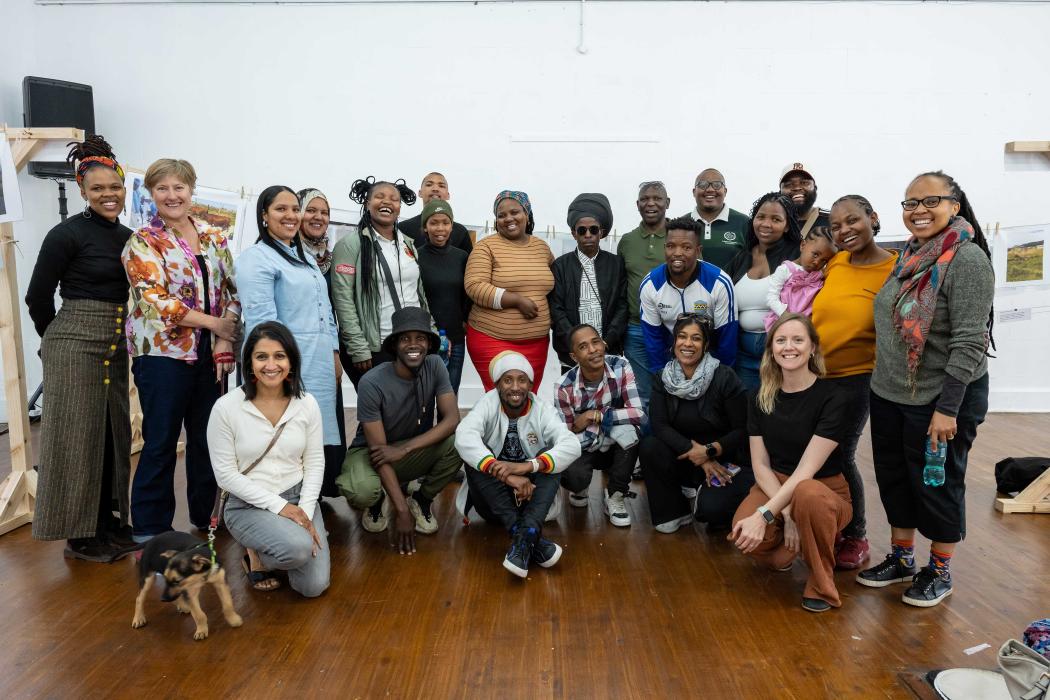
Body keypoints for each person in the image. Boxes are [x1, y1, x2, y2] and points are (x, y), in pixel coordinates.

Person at [857, 172, 993, 608]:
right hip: (891, 392)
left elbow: (970, 339)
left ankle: (939, 571)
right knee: (895, 479)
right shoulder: (911, 255)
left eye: (930, 200)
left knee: (938, 482)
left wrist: (948, 409)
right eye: (910, 202)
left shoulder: (967, 261)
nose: (918, 210)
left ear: (954, 205)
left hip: (941, 398)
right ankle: (901, 559)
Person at [25, 135, 136, 562]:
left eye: (114, 187)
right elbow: (38, 295)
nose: (108, 195)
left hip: (115, 343)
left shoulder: (131, 237)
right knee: (76, 437)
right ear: (82, 191)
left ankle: (110, 524)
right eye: (98, 189)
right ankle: (79, 535)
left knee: (113, 432)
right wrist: (54, 339)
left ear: (124, 187)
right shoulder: (65, 234)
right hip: (73, 341)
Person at [123, 158, 240, 543]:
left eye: (179, 187)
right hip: (162, 356)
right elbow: (153, 299)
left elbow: (233, 292)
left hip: (212, 356)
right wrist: (212, 325)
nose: (172, 196)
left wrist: (225, 337)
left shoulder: (214, 236)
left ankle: (207, 514)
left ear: (192, 190)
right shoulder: (143, 240)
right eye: (162, 189)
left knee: (208, 439)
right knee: (160, 440)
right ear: (151, 194)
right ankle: (150, 526)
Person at [729, 314, 852, 613]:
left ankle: (821, 584)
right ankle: (801, 541)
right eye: (781, 340)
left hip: (822, 490)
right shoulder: (760, 397)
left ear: (812, 348)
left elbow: (806, 472)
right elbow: (760, 464)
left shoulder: (835, 397)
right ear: (772, 349)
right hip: (775, 482)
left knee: (806, 495)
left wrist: (765, 516)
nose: (789, 347)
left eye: (798, 340)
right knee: (745, 535)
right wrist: (786, 514)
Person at [235, 185, 343, 497]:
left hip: (318, 361)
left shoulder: (303, 257)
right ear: (264, 216)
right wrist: (277, 370)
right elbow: (263, 325)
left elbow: (325, 311)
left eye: (295, 209)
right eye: (281, 209)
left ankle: (305, 500)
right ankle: (271, 507)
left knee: (308, 436)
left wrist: (334, 354)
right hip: (281, 363)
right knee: (278, 436)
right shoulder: (256, 259)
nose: (291, 215)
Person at [207, 321, 330, 597]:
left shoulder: (307, 403)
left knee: (313, 587)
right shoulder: (226, 408)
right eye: (261, 356)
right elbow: (225, 475)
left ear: (291, 361)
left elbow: (314, 463)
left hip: (299, 498)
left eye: (279, 356)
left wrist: (306, 515)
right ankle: (258, 556)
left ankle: (283, 546)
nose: (270, 365)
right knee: (298, 548)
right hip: (248, 505)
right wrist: (281, 508)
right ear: (249, 362)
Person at [812, 194, 897, 569]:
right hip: (815, 375)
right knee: (814, 452)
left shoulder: (895, 269)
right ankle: (827, 521)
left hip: (857, 378)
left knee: (841, 453)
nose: (844, 230)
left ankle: (857, 534)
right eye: (836, 226)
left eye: (852, 221)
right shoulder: (837, 262)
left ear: (873, 218)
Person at [337, 307, 461, 553]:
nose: (413, 345)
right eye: (405, 338)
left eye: (420, 338)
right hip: (371, 453)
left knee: (460, 443)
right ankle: (378, 500)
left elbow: (452, 419)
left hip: (406, 452)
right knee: (360, 491)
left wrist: (405, 449)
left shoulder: (435, 365)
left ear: (428, 344)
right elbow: (379, 452)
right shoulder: (371, 382)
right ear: (394, 345)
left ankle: (422, 500)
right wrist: (400, 512)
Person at [455, 351, 581, 577]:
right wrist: (507, 475)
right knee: (477, 458)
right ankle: (527, 533)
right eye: (508, 380)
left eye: (521, 380)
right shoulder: (487, 403)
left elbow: (572, 445)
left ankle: (524, 535)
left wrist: (529, 466)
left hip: (532, 500)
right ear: (497, 385)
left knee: (549, 457)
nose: (515, 387)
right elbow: (464, 436)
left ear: (531, 385)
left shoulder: (542, 409)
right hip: (493, 505)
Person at [640, 315, 752, 534]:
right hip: (686, 454)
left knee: (712, 513)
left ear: (706, 345)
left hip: (723, 457)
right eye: (681, 337)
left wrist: (710, 452)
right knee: (650, 446)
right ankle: (674, 511)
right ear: (674, 342)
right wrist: (699, 457)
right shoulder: (663, 377)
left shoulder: (725, 377)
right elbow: (660, 425)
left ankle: (709, 496)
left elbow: (742, 430)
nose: (688, 344)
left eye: (696, 338)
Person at [331, 177, 432, 388]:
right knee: (380, 412)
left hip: (409, 342)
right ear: (367, 203)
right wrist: (358, 347)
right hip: (375, 346)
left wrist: (430, 328)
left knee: (407, 411)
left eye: (394, 199)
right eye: (379, 197)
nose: (387, 202)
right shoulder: (351, 245)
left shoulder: (408, 244)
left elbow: (418, 293)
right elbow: (343, 300)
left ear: (399, 206)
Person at [554, 324, 644, 527]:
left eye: (596, 342)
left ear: (604, 344)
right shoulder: (563, 387)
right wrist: (598, 430)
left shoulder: (621, 366)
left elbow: (638, 413)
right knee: (574, 477)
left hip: (613, 443)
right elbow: (565, 434)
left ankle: (615, 495)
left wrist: (595, 416)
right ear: (574, 357)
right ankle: (580, 488)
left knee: (633, 434)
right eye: (584, 346)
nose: (593, 349)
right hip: (584, 446)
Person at [464, 190, 555, 392]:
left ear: (527, 214)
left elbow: (553, 285)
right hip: (492, 338)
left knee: (528, 400)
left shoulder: (542, 248)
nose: (508, 219)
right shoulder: (485, 246)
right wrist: (515, 300)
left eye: (515, 212)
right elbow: (474, 286)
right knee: (503, 399)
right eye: (501, 215)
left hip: (537, 343)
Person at [639, 216, 737, 372]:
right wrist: (661, 376)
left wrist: (721, 378)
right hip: (671, 358)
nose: (677, 253)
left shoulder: (719, 282)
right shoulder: (651, 285)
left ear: (698, 251)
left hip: (710, 358)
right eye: (671, 246)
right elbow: (653, 340)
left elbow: (726, 339)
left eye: (686, 247)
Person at [725, 193, 802, 390]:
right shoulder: (741, 258)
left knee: (781, 411)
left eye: (776, 219)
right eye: (761, 217)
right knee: (749, 412)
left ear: (786, 226)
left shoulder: (797, 257)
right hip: (743, 355)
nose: (766, 224)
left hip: (781, 354)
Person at [549, 193, 628, 372]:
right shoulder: (560, 266)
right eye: (581, 230)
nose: (588, 235)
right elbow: (556, 309)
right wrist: (576, 343)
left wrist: (607, 341)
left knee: (610, 399)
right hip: (572, 353)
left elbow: (622, 306)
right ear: (573, 234)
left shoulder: (616, 264)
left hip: (609, 349)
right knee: (573, 398)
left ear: (602, 232)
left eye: (593, 230)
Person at [617, 181, 670, 409]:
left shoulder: (679, 236)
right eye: (645, 199)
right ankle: (647, 442)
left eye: (657, 198)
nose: (651, 203)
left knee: (672, 388)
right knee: (642, 394)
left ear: (667, 203)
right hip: (636, 329)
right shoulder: (627, 241)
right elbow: (620, 285)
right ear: (637, 204)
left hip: (671, 328)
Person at [416, 198, 471, 394]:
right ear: (425, 227)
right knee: (425, 397)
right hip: (426, 339)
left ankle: (448, 427)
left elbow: (468, 295)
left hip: (456, 339)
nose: (440, 228)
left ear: (452, 226)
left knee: (449, 396)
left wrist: (463, 322)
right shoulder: (415, 257)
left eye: (445, 222)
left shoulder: (462, 257)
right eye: (434, 222)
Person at [763, 227, 837, 331]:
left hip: (806, 326)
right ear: (803, 245)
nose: (817, 262)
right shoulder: (785, 270)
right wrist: (785, 316)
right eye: (815, 254)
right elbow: (771, 298)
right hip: (782, 321)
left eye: (824, 261)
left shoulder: (819, 276)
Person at [682, 168, 750, 272]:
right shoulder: (681, 224)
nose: (710, 189)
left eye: (717, 185)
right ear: (694, 192)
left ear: (725, 191)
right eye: (703, 185)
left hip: (734, 288)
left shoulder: (744, 222)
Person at [397, 172, 474, 255]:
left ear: (448, 195)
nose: (435, 189)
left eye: (441, 186)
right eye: (429, 185)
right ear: (420, 193)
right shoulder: (402, 229)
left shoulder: (461, 232)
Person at [779, 163, 830, 239]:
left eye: (804, 183)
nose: (797, 188)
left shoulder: (831, 220)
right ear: (780, 192)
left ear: (815, 188)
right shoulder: (770, 223)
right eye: (789, 184)